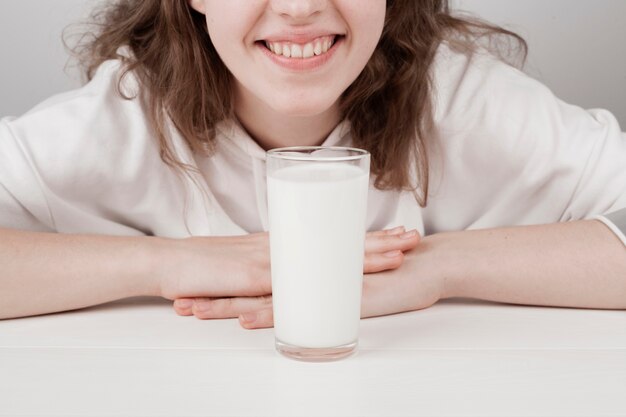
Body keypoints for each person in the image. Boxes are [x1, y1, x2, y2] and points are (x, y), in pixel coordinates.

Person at [0, 0, 624, 324]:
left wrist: (434, 268)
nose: (299, 9)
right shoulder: (120, 119)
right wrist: (169, 263)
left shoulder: (465, 101)